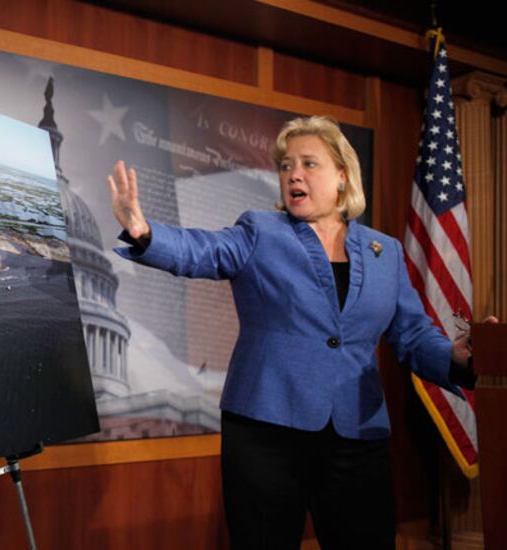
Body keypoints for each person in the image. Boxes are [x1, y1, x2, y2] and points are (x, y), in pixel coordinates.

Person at [107, 116, 495, 549]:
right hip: (268, 434)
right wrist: (144, 233)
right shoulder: (259, 231)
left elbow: (413, 334)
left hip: (357, 436)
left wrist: (458, 358)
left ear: (342, 177)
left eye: (309, 163)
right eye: (286, 165)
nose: (293, 173)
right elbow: (202, 251)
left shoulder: (385, 252)